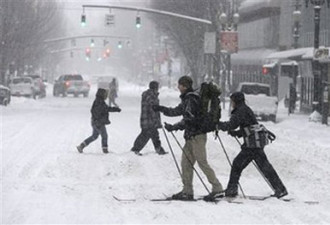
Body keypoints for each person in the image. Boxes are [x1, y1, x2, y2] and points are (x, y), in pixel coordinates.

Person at [153, 76, 224, 201]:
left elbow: (189, 119)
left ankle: (217, 188)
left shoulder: (191, 99)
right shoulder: (188, 98)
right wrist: (161, 109)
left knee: (202, 162)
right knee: (186, 163)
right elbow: (177, 111)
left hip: (197, 136)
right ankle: (187, 191)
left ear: (184, 86)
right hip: (191, 136)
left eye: (179, 85)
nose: (178, 87)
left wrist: (175, 127)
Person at [217, 92, 288, 198]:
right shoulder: (245, 109)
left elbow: (231, 125)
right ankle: (280, 189)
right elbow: (249, 126)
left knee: (237, 164)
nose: (231, 103)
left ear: (236, 101)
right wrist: (237, 133)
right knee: (264, 166)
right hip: (256, 142)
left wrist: (218, 125)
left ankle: (232, 189)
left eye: (232, 101)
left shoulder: (240, 111)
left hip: (252, 145)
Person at [77, 88, 121, 154]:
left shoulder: (98, 101)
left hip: (95, 121)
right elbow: (106, 109)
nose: (106, 96)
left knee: (94, 136)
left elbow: (100, 110)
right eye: (105, 94)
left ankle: (81, 146)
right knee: (104, 136)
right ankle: (105, 150)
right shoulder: (100, 102)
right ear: (102, 95)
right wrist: (116, 109)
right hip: (98, 122)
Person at [131, 81, 167, 156]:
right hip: (149, 120)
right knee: (145, 135)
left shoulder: (148, 94)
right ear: (155, 87)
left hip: (146, 119)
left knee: (154, 134)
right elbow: (153, 109)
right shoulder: (151, 96)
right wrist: (157, 121)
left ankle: (159, 149)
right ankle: (135, 149)